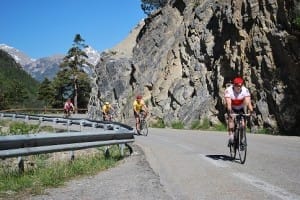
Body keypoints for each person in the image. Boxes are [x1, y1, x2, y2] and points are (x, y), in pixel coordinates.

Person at [224, 77, 253, 146]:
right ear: (233, 85)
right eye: (237, 85)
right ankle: (231, 137)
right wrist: (231, 113)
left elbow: (248, 102)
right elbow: (228, 104)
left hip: (241, 107)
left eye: (240, 85)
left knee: (242, 125)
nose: (239, 87)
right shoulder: (228, 90)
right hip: (232, 107)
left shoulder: (245, 90)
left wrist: (250, 111)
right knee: (231, 120)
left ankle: (242, 140)